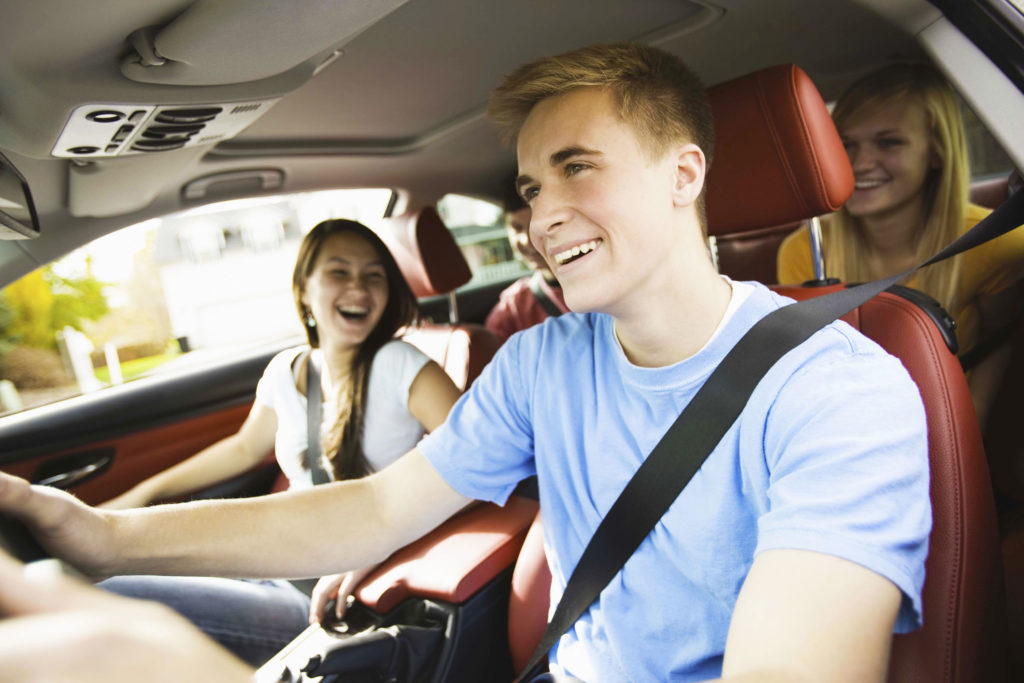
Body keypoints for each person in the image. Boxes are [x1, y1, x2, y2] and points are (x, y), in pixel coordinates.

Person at [0, 43, 930, 682]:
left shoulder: (842, 389)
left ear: (684, 174)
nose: (540, 213)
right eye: (530, 187)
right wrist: (104, 536)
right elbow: (373, 510)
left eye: (578, 166)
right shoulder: (541, 363)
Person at [100, 218, 463, 665]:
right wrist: (146, 493)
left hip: (326, 593)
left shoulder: (400, 364)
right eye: (338, 272)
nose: (359, 287)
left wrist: (380, 547)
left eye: (374, 276)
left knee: (103, 589)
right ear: (304, 289)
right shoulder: (287, 370)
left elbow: (475, 458)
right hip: (272, 562)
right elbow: (244, 448)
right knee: (110, 567)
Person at [775, 62, 1024, 426]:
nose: (859, 163)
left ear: (937, 152)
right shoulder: (806, 253)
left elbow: (999, 344)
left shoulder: (995, 244)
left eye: (888, 142)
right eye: (845, 145)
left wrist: (969, 426)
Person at [485, 184, 569, 341]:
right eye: (516, 228)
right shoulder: (512, 309)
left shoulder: (601, 287)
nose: (526, 241)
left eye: (533, 226)